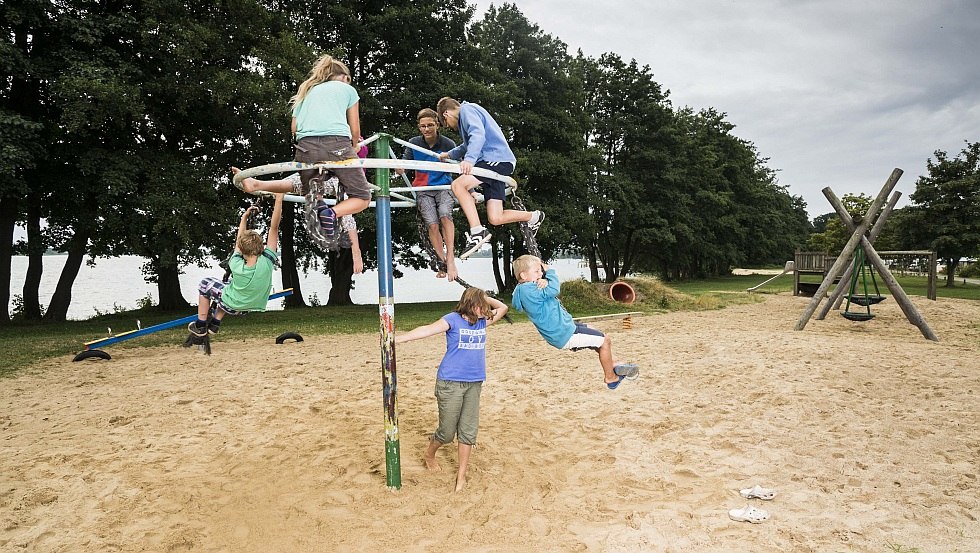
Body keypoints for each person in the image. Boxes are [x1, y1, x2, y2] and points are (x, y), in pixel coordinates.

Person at [242, 55, 371, 242]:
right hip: (337, 144)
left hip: (305, 148)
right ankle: (331, 213)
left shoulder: (306, 91)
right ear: (344, 77)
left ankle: (319, 205)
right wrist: (354, 146)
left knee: (313, 191)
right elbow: (355, 130)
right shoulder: (347, 89)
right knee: (362, 197)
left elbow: (294, 128)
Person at [395, 287, 509, 492]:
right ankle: (430, 454)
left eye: (485, 307)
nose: (485, 310)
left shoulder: (483, 321)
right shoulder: (453, 320)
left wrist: (484, 297)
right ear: (470, 304)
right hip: (450, 383)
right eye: (480, 306)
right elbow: (426, 330)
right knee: (447, 433)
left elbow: (503, 308)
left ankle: (461, 477)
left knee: (468, 432)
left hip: (474, 383)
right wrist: (400, 339)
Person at [435, 97, 544, 259]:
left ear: (446, 114)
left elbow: (478, 135)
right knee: (495, 218)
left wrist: (469, 160)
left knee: (458, 185)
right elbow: (467, 145)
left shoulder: (467, 110)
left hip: (495, 159)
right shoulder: (469, 116)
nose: (451, 128)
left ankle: (477, 231)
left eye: (447, 125)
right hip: (495, 163)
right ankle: (533, 217)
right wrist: (450, 154)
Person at [510, 255, 639, 390]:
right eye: (536, 271)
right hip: (564, 334)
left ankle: (613, 362)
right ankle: (611, 378)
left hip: (564, 328)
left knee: (593, 331)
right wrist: (550, 273)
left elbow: (537, 293)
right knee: (605, 341)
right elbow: (555, 289)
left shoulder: (522, 289)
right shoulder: (530, 290)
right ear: (523, 275)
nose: (541, 273)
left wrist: (544, 280)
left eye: (540, 271)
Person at [189, 191, 283, 336]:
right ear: (262, 246)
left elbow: (239, 240)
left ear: (242, 249)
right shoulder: (268, 261)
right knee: (229, 286)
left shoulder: (236, 263)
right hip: (250, 306)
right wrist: (279, 198)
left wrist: (244, 217)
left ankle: (201, 325)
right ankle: (215, 323)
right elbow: (274, 227)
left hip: (232, 305)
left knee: (205, 283)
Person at [235, 167, 363, 271]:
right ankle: (257, 184)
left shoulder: (238, 265)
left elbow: (272, 228)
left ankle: (257, 184)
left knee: (304, 184)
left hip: (336, 175)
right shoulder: (263, 262)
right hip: (330, 174)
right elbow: (274, 228)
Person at [399, 108, 458, 280]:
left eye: (430, 125)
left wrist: (471, 191)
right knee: (432, 224)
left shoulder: (448, 144)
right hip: (423, 189)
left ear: (437, 125)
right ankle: (441, 262)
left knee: (445, 215)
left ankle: (451, 259)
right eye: (423, 126)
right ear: (419, 127)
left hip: (443, 186)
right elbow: (405, 163)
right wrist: (400, 168)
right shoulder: (413, 143)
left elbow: (459, 167)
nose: (427, 129)